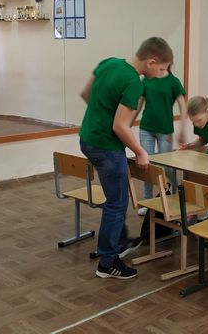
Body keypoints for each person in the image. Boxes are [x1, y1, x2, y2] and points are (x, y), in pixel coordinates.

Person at [79, 36, 172, 279]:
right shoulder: (133, 82)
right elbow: (120, 126)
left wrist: (101, 115)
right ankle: (108, 262)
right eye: (161, 69)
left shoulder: (109, 63)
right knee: (117, 203)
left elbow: (86, 94)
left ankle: (119, 241)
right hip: (106, 146)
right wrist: (140, 151)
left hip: (88, 139)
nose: (161, 74)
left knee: (115, 197)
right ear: (151, 62)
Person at [133, 63, 187, 215]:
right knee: (146, 165)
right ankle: (148, 202)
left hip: (165, 131)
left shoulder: (174, 82)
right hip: (146, 128)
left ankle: (176, 194)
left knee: (168, 168)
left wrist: (182, 129)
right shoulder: (146, 79)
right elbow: (139, 104)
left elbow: (183, 107)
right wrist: (128, 123)